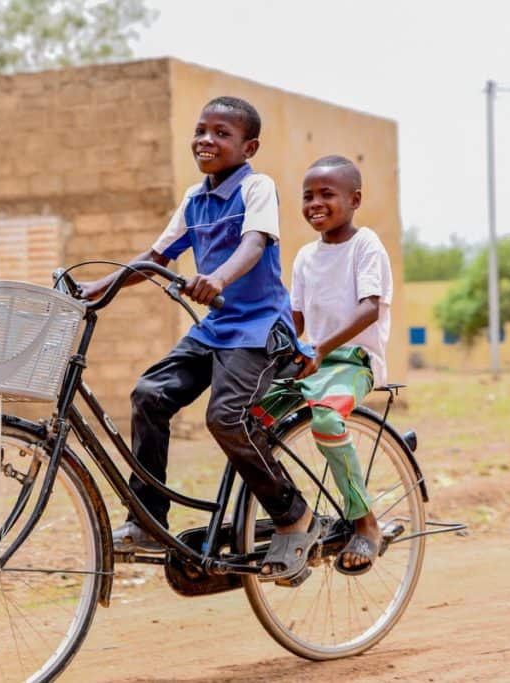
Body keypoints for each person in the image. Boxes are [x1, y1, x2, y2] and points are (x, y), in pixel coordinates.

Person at [78, 96, 319, 583]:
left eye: (221, 133)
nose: (207, 140)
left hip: (257, 331)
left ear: (248, 146)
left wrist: (220, 279)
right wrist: (92, 289)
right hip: (214, 331)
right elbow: (155, 257)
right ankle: (148, 521)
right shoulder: (194, 200)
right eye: (201, 130)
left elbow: (254, 244)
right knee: (149, 395)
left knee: (226, 418)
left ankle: (294, 516)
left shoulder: (257, 188)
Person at [253, 154, 393, 575]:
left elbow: (370, 308)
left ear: (354, 200)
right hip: (311, 359)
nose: (315, 203)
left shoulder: (365, 245)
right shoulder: (304, 258)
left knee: (327, 421)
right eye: (307, 196)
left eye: (326, 195)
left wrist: (320, 348)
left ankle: (365, 522)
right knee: (248, 422)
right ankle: (293, 519)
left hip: (352, 361)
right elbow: (294, 318)